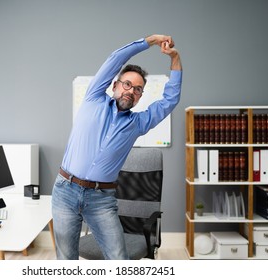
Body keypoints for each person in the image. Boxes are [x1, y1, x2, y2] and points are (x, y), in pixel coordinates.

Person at [52, 34, 182, 260]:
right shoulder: (93, 98)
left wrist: (175, 58)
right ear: (115, 85)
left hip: (101, 199)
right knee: (66, 259)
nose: (131, 91)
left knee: (119, 259)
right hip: (65, 190)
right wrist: (149, 41)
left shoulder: (138, 124)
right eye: (127, 84)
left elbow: (170, 100)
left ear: (140, 97)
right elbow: (115, 59)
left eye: (138, 90)